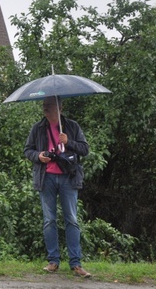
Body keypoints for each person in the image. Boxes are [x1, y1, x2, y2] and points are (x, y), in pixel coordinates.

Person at [23, 97, 92, 278]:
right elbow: (27, 150)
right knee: (49, 220)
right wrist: (38, 156)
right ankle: (53, 261)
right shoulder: (37, 128)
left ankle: (76, 264)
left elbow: (85, 149)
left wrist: (68, 142)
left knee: (72, 219)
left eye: (49, 106)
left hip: (68, 179)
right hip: (46, 178)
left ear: (60, 108)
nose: (45, 108)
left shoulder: (72, 126)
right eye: (44, 105)